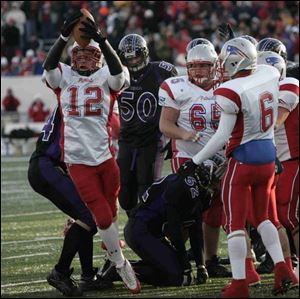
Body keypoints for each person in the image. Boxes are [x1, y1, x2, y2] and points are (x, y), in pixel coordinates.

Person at [181, 37, 293, 298]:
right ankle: (282, 269)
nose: (220, 66)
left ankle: (240, 284)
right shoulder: (268, 72)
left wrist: (195, 162)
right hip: (267, 158)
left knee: (235, 224)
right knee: (264, 217)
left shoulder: (229, 91)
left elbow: (222, 136)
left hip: (242, 161)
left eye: (223, 61)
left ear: (236, 60)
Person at [41, 11, 140, 294]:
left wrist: (103, 41)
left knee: (111, 212)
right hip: (78, 161)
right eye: (78, 54)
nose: (83, 58)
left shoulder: (107, 74)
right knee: (102, 217)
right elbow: (49, 66)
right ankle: (120, 263)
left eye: (89, 54)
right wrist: (63, 37)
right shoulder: (65, 77)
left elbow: (119, 74)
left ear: (99, 58)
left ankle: (111, 255)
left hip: (106, 159)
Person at [158, 41, 231, 278]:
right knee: (187, 211)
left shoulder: (227, 85)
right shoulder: (177, 87)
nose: (198, 71)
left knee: (215, 211)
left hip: (220, 158)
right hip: (189, 156)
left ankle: (210, 260)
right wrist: (184, 134)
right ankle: (175, 257)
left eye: (203, 65)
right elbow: (165, 124)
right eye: (193, 66)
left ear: (214, 66)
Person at [28, 107, 112, 296]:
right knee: (90, 217)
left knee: (86, 219)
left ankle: (88, 276)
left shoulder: (69, 100)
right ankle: (61, 271)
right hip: (47, 166)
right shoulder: (74, 103)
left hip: (45, 166)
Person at [99, 159, 223, 287]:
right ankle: (117, 271)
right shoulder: (181, 188)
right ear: (204, 177)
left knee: (175, 270)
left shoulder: (201, 194)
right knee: (177, 277)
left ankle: (121, 265)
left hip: (154, 232)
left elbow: (195, 230)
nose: (217, 184)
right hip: (140, 229)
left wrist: (200, 265)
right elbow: (175, 232)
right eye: (215, 180)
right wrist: (187, 267)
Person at [116, 33, 178, 215]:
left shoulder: (162, 71)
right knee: (125, 196)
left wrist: (173, 137)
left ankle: (148, 227)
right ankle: (135, 222)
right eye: (129, 58)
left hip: (152, 139)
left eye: (136, 56)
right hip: (126, 139)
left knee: (147, 188)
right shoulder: (118, 75)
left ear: (144, 53)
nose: (133, 62)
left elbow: (178, 104)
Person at [257, 50, 299, 282]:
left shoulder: (289, 85)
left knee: (289, 217)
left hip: (292, 160)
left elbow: (273, 122)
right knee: (276, 216)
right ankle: (286, 266)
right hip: (278, 161)